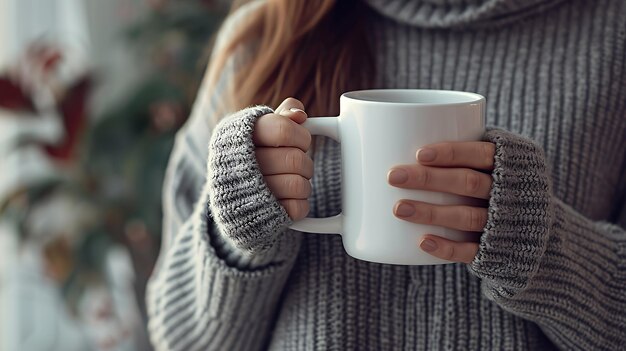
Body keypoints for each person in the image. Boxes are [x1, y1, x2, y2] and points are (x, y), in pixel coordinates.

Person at [146, 0, 626, 350]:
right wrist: (241, 216)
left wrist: (540, 242)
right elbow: (182, 338)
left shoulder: (613, 33)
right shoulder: (268, 33)